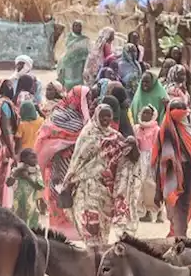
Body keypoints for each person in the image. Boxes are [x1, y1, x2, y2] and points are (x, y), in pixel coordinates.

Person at [59, 104, 139, 247]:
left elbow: (130, 159)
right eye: (103, 116)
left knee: (103, 230)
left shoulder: (115, 136)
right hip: (86, 189)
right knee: (90, 226)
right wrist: (68, 185)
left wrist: (133, 145)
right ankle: (93, 257)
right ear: (96, 115)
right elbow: (77, 162)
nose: (106, 119)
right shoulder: (87, 135)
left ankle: (98, 258)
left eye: (109, 116)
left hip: (105, 191)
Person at [35, 85, 92, 239]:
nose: (90, 101)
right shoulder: (60, 114)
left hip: (75, 163)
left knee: (75, 195)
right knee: (58, 192)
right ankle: (60, 231)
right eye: (87, 98)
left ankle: (74, 231)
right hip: (60, 162)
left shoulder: (81, 115)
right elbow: (51, 135)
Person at [156, 99, 191, 237]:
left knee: (185, 206)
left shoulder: (187, 128)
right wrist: (158, 188)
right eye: (176, 108)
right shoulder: (165, 132)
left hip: (190, 171)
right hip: (171, 176)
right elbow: (159, 159)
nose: (180, 112)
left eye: (182, 108)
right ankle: (177, 237)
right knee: (176, 208)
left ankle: (178, 236)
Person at [135, 106, 163, 222]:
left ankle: (158, 212)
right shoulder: (137, 128)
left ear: (153, 116)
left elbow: (157, 146)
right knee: (141, 186)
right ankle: (145, 212)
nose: (144, 115)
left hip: (152, 158)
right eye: (143, 113)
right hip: (140, 159)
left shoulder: (156, 129)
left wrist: (155, 161)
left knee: (152, 185)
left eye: (148, 113)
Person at [8, 148, 45, 227]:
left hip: (32, 206)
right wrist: (15, 174)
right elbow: (8, 183)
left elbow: (39, 186)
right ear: (24, 159)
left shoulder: (37, 171)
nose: (35, 160)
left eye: (36, 157)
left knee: (31, 226)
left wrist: (27, 177)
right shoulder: (17, 170)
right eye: (32, 157)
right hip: (18, 205)